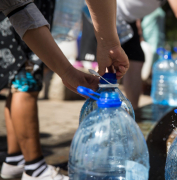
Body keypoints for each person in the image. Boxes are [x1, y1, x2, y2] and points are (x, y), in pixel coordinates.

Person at [0, 0, 128, 179]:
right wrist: (110, 45)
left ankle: (14, 159)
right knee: (26, 84)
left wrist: (67, 72)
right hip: (21, 19)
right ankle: (34, 169)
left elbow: (17, 7)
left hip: (16, 15)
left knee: (17, 83)